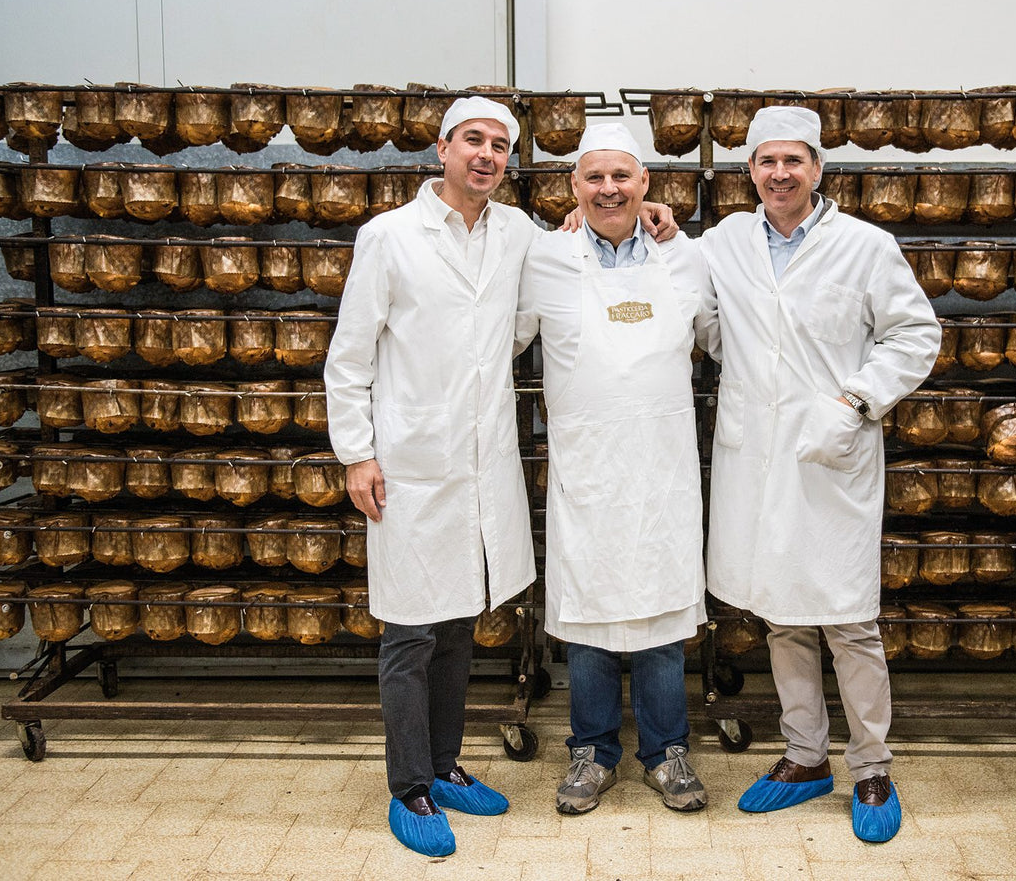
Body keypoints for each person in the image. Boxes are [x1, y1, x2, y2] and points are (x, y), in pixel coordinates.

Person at [325, 97, 678, 858]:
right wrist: (357, 451)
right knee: (410, 628)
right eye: (472, 141)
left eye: (499, 145)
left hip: (481, 458)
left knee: (458, 618)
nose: (485, 154)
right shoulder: (388, 237)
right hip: (410, 460)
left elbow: (557, 279)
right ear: (442, 149)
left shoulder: (517, 232)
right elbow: (349, 355)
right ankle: (409, 784)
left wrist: (655, 216)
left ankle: (445, 764)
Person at [698, 106, 940, 843]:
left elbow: (914, 332)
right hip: (756, 450)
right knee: (780, 612)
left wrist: (854, 399)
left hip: (832, 448)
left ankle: (870, 761)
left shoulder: (864, 246)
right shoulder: (723, 243)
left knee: (847, 617)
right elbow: (704, 318)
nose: (779, 174)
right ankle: (805, 756)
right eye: (766, 162)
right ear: (749, 172)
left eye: (793, 161)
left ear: (817, 168)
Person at [515, 123, 712, 816]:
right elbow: (502, 337)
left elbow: (721, 335)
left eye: (621, 177)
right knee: (589, 617)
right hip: (588, 470)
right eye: (593, 178)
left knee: (661, 614)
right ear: (572, 187)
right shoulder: (543, 259)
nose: (608, 189)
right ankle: (592, 751)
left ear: (645, 184)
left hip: (661, 470)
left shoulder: (683, 261)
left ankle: (666, 752)